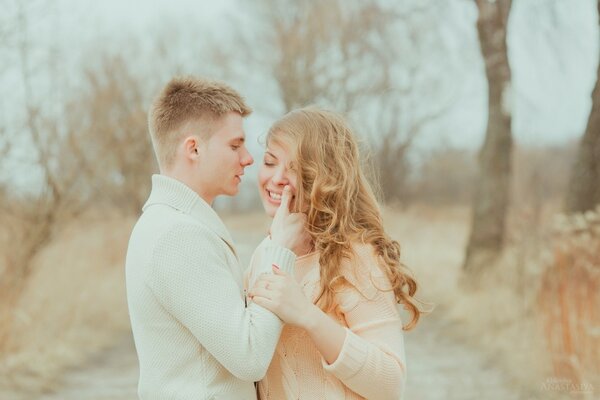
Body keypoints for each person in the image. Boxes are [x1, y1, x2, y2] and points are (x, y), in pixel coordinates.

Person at [125, 76, 308, 399]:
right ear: (193, 148)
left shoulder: (165, 222)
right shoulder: (177, 235)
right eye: (235, 145)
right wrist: (280, 250)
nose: (248, 158)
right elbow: (249, 357)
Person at [246, 106, 423, 400]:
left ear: (326, 178)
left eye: (296, 169)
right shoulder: (266, 250)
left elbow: (391, 384)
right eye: (269, 162)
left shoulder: (354, 256)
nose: (276, 178)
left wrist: (306, 315)